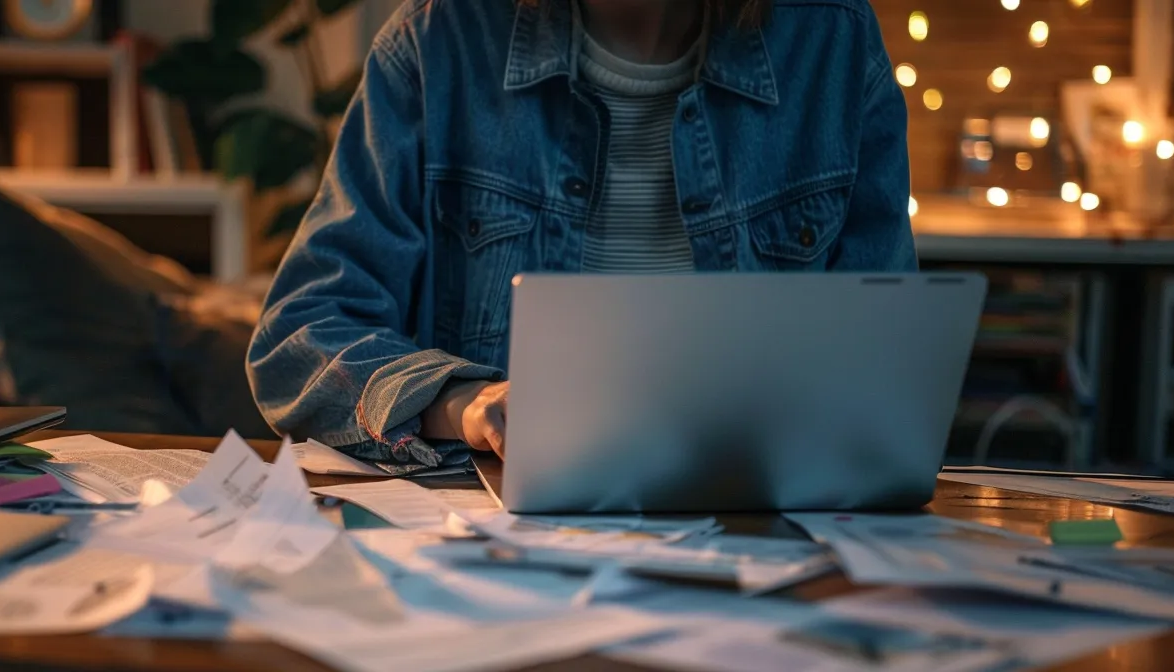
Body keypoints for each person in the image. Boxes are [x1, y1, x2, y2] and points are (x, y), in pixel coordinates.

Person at [248, 0, 915, 466]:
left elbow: (893, 366)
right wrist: (457, 400)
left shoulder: (834, 39)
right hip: (498, 543)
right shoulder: (436, 40)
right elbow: (299, 334)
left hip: (767, 532)